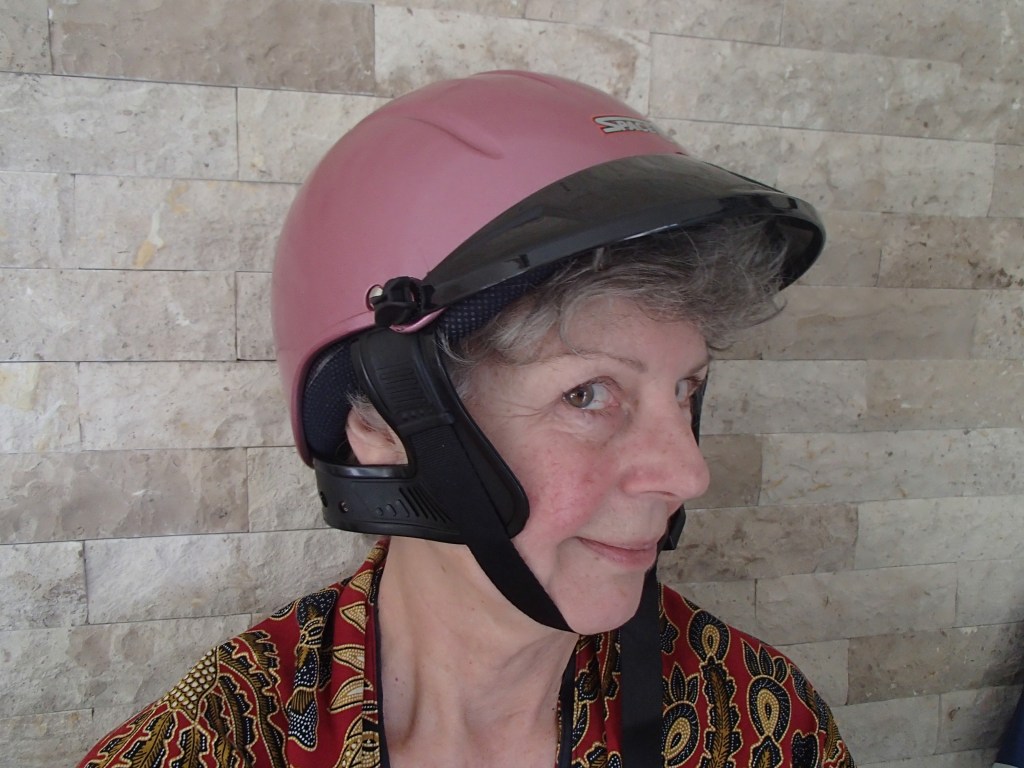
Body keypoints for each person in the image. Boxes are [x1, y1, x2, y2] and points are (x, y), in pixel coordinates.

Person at [78, 71, 854, 767]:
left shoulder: (760, 726)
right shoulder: (208, 748)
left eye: (686, 389)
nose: (688, 473)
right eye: (587, 394)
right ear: (382, 419)